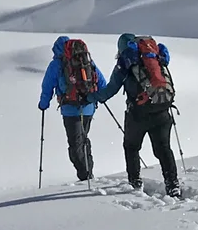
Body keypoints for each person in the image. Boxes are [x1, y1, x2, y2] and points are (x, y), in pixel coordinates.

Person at [98, 32, 180, 197]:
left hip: (137, 114)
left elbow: (111, 89)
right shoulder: (155, 56)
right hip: (162, 110)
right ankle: (173, 184)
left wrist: (93, 97)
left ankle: (135, 182)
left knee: (131, 147)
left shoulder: (126, 62)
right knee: (164, 149)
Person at [37, 36, 106, 183]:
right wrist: (95, 97)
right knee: (83, 139)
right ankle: (88, 172)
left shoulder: (56, 64)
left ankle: (85, 175)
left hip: (70, 110)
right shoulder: (86, 60)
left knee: (75, 144)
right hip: (88, 108)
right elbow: (102, 82)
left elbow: (47, 86)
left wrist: (43, 104)